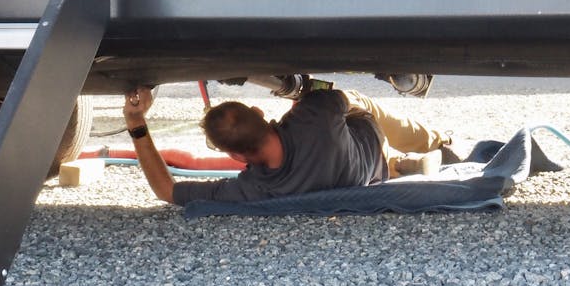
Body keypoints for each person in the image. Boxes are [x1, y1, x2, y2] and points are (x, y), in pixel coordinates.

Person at [122, 85, 455, 206]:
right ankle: (436, 143)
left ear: (236, 156)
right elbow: (337, 99)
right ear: (259, 111)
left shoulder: (253, 190)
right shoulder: (316, 115)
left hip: (365, 176)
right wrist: (300, 104)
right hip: (367, 139)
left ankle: (399, 165)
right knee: (356, 101)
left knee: (347, 136)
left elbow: (167, 191)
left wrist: (136, 123)